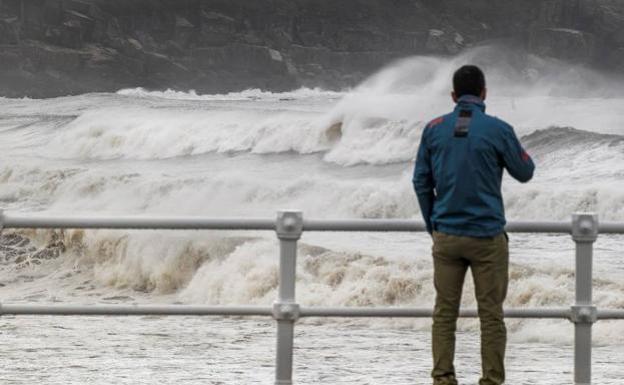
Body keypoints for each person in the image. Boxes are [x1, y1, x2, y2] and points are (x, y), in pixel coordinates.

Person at [412, 65, 535, 385]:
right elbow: (525, 172)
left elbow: (420, 182)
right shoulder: (498, 129)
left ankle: (443, 379)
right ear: (484, 94)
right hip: (486, 236)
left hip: (447, 236)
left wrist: (433, 225)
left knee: (444, 314)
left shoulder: (433, 128)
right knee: (491, 315)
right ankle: (491, 381)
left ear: (454, 96)